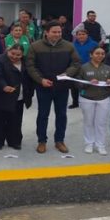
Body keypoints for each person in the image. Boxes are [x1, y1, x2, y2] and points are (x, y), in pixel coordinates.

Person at [26, 21, 81, 154]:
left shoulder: (69, 46)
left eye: (59, 32)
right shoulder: (35, 46)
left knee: (61, 115)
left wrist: (67, 74)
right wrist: (40, 80)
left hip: (62, 87)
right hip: (43, 87)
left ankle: (59, 140)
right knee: (43, 115)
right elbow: (30, 66)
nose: (57, 34)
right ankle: (42, 141)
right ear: (46, 32)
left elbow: (76, 63)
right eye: (54, 32)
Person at [0, 44, 33, 150]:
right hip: (1, 95)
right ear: (8, 51)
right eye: (12, 54)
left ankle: (14, 141)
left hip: (19, 96)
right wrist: (3, 86)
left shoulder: (25, 62)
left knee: (16, 120)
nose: (15, 57)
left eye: (18, 55)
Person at [76, 46, 110, 155]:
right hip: (87, 98)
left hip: (103, 98)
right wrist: (88, 82)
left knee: (101, 123)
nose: (100, 56)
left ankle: (100, 145)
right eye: (97, 53)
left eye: (102, 54)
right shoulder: (84, 68)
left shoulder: (108, 68)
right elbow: (77, 83)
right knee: (88, 122)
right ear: (91, 55)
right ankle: (89, 143)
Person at [70, 29, 99, 109]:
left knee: (88, 85)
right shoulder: (72, 45)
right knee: (75, 86)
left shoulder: (94, 44)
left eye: (83, 34)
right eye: (79, 34)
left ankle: (89, 101)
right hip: (76, 68)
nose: (81, 36)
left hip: (89, 68)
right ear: (76, 36)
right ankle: (75, 102)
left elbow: (99, 55)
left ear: (87, 35)